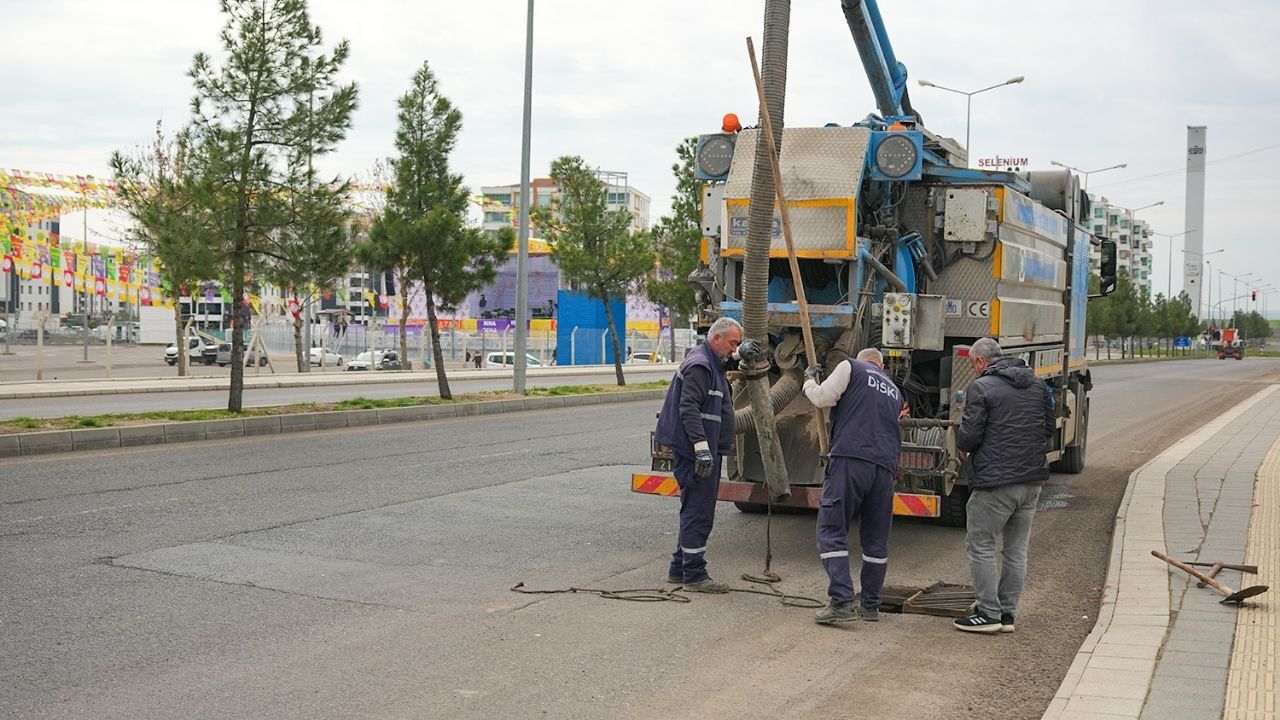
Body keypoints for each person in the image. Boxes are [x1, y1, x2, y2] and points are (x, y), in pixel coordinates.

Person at [952, 337, 1055, 634]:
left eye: (974, 364)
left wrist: (966, 449)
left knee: (981, 544)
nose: (974, 370)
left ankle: (987, 612)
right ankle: (1007, 614)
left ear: (981, 362)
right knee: (1016, 550)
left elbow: (968, 437)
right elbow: (1048, 428)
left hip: (996, 483)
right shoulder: (1036, 384)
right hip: (1032, 480)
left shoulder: (981, 387)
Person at [803, 347, 906, 624]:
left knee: (831, 529)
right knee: (875, 539)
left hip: (851, 459)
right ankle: (871, 605)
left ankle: (841, 602)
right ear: (881, 367)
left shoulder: (851, 367)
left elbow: (824, 398)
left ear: (866, 362)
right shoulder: (896, 392)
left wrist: (809, 381)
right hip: (885, 468)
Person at [653, 317, 746, 593]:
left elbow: (730, 360)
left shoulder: (711, 361)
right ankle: (694, 575)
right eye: (732, 343)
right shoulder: (700, 366)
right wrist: (702, 449)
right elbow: (689, 409)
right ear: (716, 339)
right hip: (697, 453)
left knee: (693, 506)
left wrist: (745, 351)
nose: (734, 349)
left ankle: (678, 567)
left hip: (702, 449)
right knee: (699, 510)